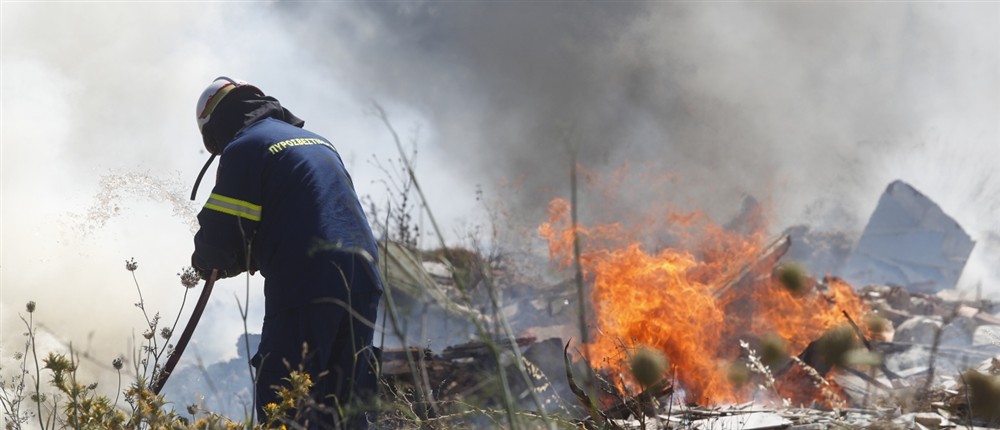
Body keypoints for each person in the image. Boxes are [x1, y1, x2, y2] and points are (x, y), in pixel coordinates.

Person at [190, 76, 382, 428]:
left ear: (214, 130)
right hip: (365, 276)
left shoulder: (245, 147)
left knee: (287, 399)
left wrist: (203, 263)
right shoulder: (318, 142)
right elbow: (298, 213)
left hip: (309, 280)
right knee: (344, 404)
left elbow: (219, 241)